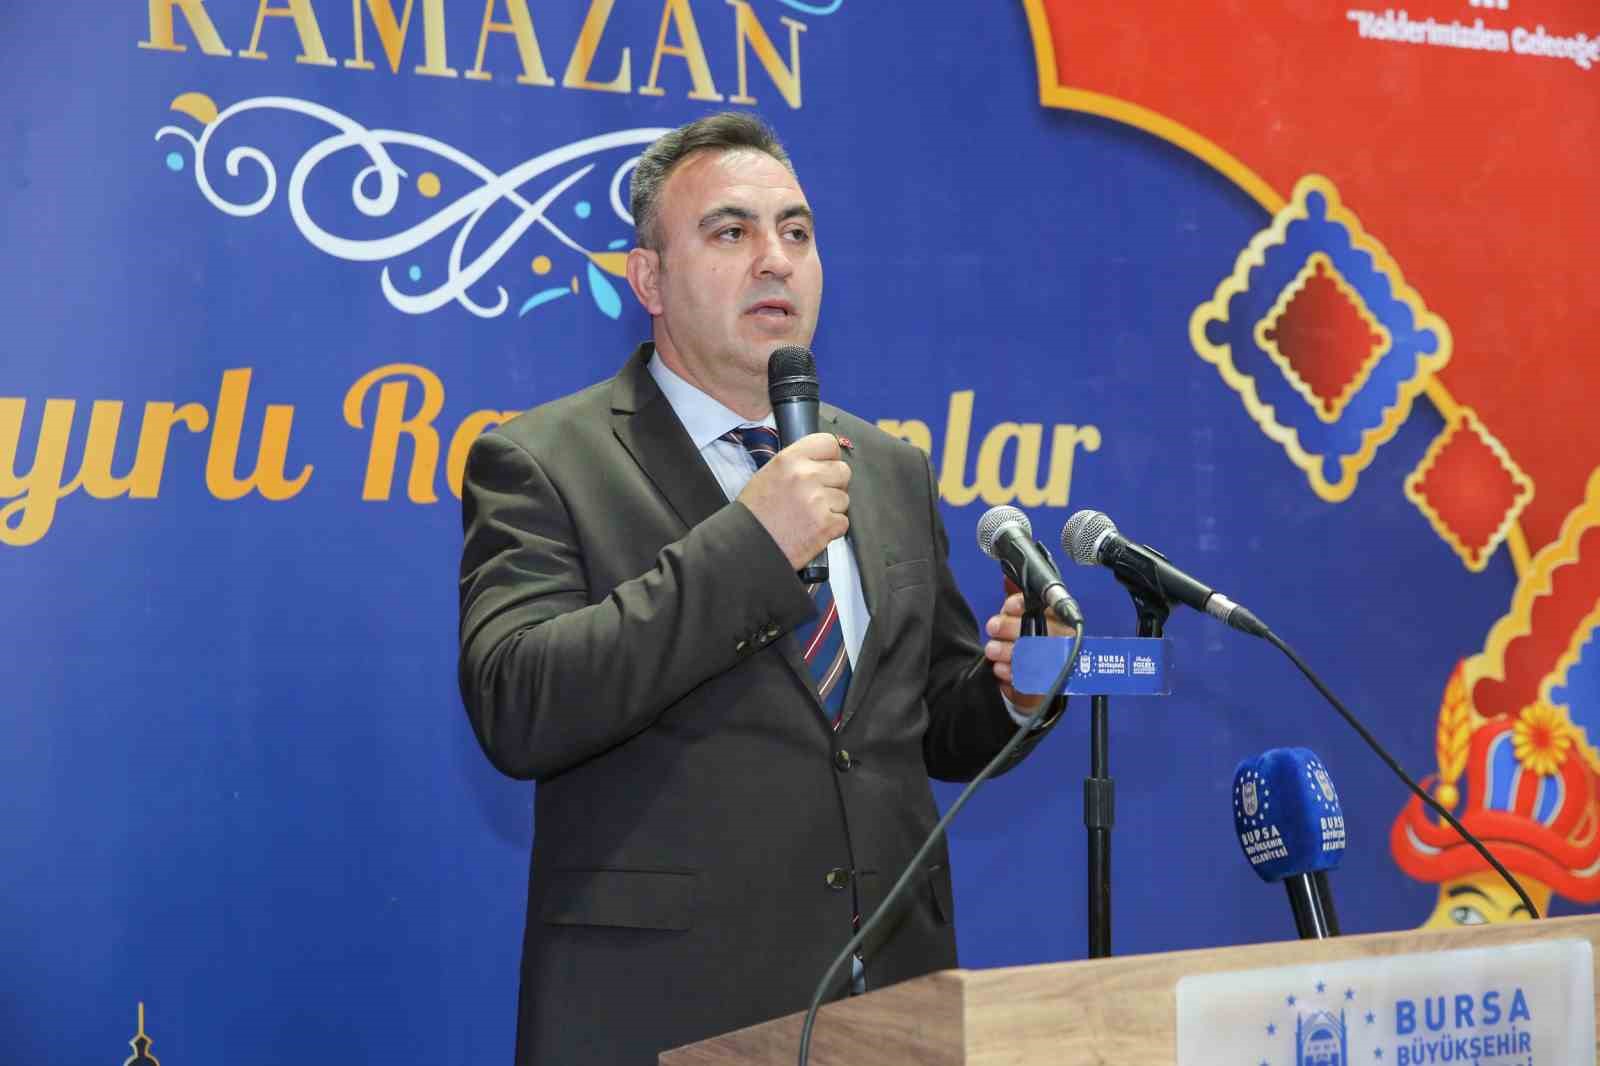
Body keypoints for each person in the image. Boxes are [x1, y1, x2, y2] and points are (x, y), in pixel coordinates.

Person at [457, 112, 1068, 1065]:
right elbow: (520, 703)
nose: (776, 259)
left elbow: (927, 728)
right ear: (649, 279)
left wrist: (1016, 690)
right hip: (668, 1010)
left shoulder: (888, 468)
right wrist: (753, 543)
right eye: (731, 231)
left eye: (797, 232)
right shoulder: (541, 461)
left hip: (895, 997)